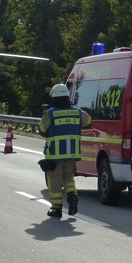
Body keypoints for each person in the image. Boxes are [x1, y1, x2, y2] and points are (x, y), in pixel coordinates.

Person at [38, 83, 92, 218]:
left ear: (54, 98)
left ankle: (56, 208)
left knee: (54, 180)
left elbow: (42, 130)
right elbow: (89, 122)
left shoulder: (50, 113)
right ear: (67, 96)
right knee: (68, 177)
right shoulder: (78, 112)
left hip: (55, 155)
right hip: (72, 154)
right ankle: (72, 195)